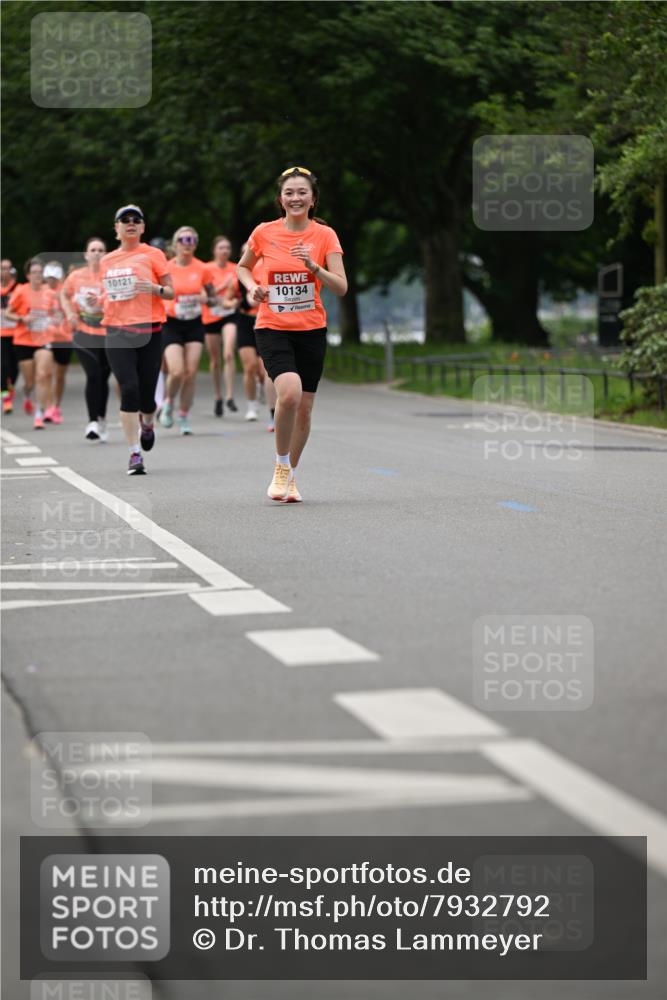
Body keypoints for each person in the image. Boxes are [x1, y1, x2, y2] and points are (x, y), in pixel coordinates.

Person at [237, 166, 347, 502]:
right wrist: (253, 286)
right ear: (280, 199)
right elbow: (242, 267)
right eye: (289, 192)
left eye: (302, 192)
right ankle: (281, 467)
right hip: (272, 326)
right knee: (289, 394)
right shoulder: (264, 232)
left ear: (313, 199)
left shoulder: (324, 236)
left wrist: (314, 268)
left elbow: (341, 287)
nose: (295, 197)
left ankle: (292, 475)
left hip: (311, 329)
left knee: (305, 409)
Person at [99, 204, 174, 474]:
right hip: (118, 331)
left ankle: (148, 422)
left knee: (146, 396)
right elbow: (103, 297)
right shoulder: (106, 261)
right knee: (128, 389)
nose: (130, 223)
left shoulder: (153, 254)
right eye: (124, 220)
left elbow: (170, 293)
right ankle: (134, 454)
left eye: (136, 220)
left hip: (150, 331)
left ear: (142, 227)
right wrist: (93, 302)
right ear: (116, 228)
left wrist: (154, 288)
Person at [159, 226, 211, 435]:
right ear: (175, 244)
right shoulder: (166, 267)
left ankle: (183, 414)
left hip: (194, 323)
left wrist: (206, 298)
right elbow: (158, 294)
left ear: (195, 244)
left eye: (191, 240)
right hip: (171, 323)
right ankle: (169, 401)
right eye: (183, 240)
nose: (187, 244)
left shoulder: (202, 268)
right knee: (177, 371)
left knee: (190, 374)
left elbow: (212, 295)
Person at [61, 238, 111, 441]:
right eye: (93, 249)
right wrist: (70, 314)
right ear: (86, 254)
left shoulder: (110, 276)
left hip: (108, 333)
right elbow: (63, 295)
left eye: (101, 249)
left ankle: (101, 418)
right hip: (83, 332)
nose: (97, 253)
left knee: (103, 378)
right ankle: (92, 422)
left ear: (106, 254)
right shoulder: (76, 276)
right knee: (93, 375)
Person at [5, 258, 58, 429]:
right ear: (28, 275)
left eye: (40, 272)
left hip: (43, 339)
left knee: (43, 375)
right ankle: (27, 395)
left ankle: (39, 413)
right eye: (34, 272)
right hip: (23, 340)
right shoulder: (21, 291)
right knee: (29, 382)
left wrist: (54, 319)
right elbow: (8, 313)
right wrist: (22, 318)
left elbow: (56, 313)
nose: (37, 275)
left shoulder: (49, 292)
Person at [235, 243, 276, 425]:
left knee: (265, 370)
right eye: (244, 252)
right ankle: (251, 406)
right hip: (245, 321)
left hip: (265, 319)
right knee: (250, 367)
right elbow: (239, 299)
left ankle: (272, 412)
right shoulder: (240, 273)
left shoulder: (268, 266)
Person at [202, 235, 239, 416]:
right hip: (210, 317)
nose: (225, 251)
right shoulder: (206, 269)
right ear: (214, 250)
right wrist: (222, 287)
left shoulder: (236, 269)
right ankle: (218, 396)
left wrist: (232, 303)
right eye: (221, 248)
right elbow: (205, 296)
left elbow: (239, 294)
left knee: (229, 353)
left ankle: (230, 396)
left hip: (229, 316)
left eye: (227, 248)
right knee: (215, 360)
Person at [42, 261, 70, 424]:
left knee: (59, 375)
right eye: (49, 277)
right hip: (47, 338)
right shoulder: (41, 292)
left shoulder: (65, 292)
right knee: (47, 373)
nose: (52, 280)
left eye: (55, 277)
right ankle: (47, 407)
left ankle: (56, 406)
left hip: (65, 338)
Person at [1, 258, 18, 413]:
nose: (5, 271)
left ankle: (10, 386)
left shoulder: (17, 289)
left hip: (15, 332)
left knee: (14, 367)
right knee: (3, 365)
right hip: (1, 333)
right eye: (2, 268)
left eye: (8, 268)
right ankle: (5, 397)